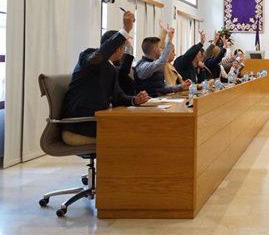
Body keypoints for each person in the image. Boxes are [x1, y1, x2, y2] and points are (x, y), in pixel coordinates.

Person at [61, 10, 149, 144]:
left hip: (97, 124)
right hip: (79, 127)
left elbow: (118, 97)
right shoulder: (87, 56)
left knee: (141, 131)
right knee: (134, 138)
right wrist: (125, 30)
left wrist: (134, 100)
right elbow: (99, 56)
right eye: (124, 48)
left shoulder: (111, 69)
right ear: (118, 49)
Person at [135, 28, 191, 96]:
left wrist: (180, 87)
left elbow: (163, 88)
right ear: (155, 50)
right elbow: (162, 61)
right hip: (148, 102)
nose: (161, 50)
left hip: (159, 100)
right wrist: (169, 40)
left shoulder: (156, 66)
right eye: (159, 48)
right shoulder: (143, 66)